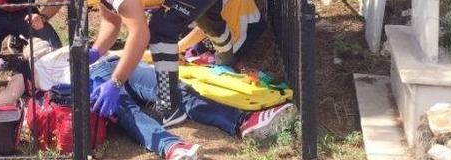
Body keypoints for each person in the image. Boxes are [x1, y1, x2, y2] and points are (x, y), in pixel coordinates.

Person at [42, 0, 232, 124]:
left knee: (161, 31)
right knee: (210, 23)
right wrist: (95, 52)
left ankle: (170, 107)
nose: (69, 2)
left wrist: (116, 82)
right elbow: (111, 22)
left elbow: (140, 34)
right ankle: (228, 58)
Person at [90, 55, 296, 160]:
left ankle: (243, 122)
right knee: (124, 109)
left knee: (173, 88)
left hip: (113, 60)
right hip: (85, 75)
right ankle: (171, 147)